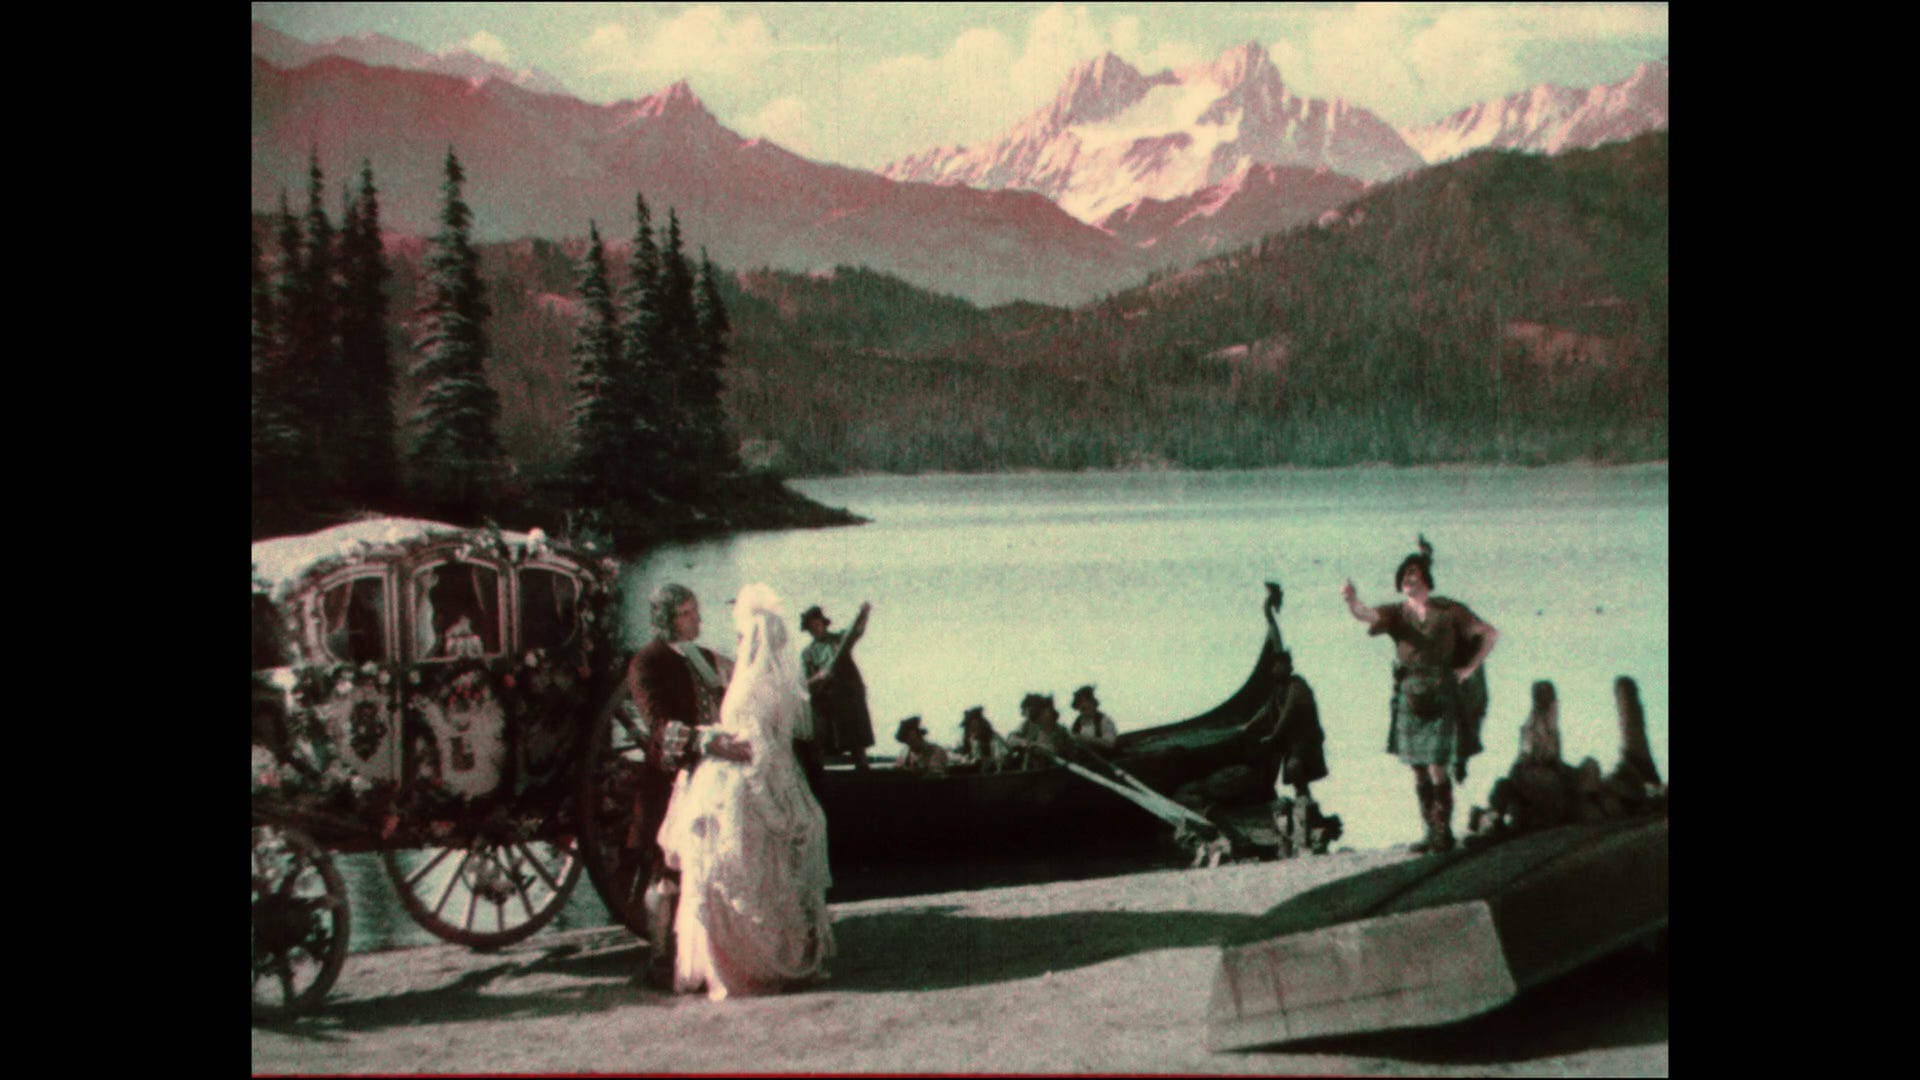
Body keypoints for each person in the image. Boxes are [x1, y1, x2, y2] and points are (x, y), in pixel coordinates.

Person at [657, 583, 835, 1000]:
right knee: (763, 872)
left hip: (748, 773)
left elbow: (755, 739)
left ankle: (743, 960)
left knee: (734, 869)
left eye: (742, 636)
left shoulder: (753, 684)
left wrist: (717, 741)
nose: (738, 641)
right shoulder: (773, 682)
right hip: (771, 771)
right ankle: (768, 951)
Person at [1341, 536, 1499, 854]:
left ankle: (1443, 832)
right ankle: (1429, 832)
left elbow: (1490, 634)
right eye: (1403, 575)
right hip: (1410, 695)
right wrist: (1352, 601)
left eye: (1412, 574)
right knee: (1417, 768)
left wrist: (1469, 669)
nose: (1407, 579)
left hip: (1441, 694)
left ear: (1425, 579)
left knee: (1438, 766)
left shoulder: (1449, 610)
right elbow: (1367, 615)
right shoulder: (1397, 613)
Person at [626, 583, 734, 987]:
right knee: (665, 869)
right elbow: (657, 724)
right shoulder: (646, 662)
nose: (698, 619)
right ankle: (659, 958)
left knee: (708, 863)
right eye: (688, 613)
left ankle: (704, 955)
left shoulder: (701, 657)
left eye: (696, 610)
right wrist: (703, 742)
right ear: (668, 618)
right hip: (668, 777)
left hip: (710, 775)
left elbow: (734, 689)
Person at [1251, 583, 1328, 802]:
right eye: (1274, 666)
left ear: (1288, 667)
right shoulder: (1278, 690)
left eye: (1280, 665)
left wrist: (1274, 736)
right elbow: (1266, 710)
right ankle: (1298, 796)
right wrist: (1247, 726)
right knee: (1289, 767)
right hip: (1291, 741)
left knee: (1295, 768)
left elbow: (1287, 713)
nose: (1275, 669)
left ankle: (1304, 798)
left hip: (1305, 740)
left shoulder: (1297, 685)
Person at [801, 603, 876, 772]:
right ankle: (819, 775)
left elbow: (856, 632)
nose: (815, 629)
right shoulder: (808, 653)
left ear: (823, 624)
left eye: (817, 625)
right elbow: (805, 683)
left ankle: (864, 772)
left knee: (857, 742)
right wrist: (820, 676)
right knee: (820, 740)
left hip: (848, 696)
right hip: (827, 700)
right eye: (811, 627)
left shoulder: (839, 639)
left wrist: (863, 614)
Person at [1007, 693, 1076, 767]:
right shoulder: (1028, 725)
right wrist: (1023, 742)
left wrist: (1036, 746)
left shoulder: (1061, 732)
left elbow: (1053, 751)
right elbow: (1011, 739)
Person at [1068, 686, 1119, 751]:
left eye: (1086, 701)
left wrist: (1086, 739)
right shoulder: (1076, 726)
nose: (1083, 705)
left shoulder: (1104, 721)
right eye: (1080, 703)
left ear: (1093, 703)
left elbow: (1109, 743)